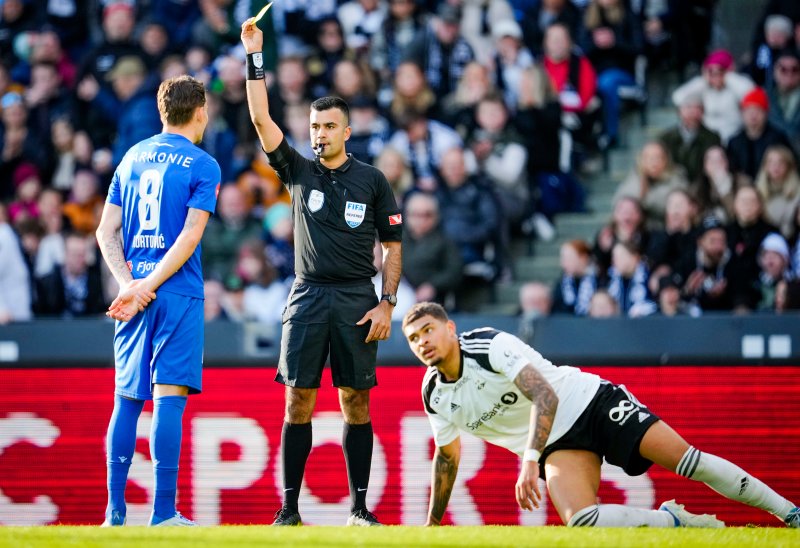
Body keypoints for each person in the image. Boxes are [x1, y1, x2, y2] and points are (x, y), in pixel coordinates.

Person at [401, 302, 800, 528]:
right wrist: (433, 527)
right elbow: (448, 456)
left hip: (589, 403)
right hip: (557, 443)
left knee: (689, 461)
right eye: (414, 338)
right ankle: (678, 523)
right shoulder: (433, 393)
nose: (423, 342)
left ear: (450, 328)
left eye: (428, 330)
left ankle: (789, 512)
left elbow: (545, 397)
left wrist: (527, 463)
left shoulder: (491, 346)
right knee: (583, 523)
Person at [241, 19, 403, 527]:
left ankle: (359, 508)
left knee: (355, 401)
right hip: (307, 294)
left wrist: (387, 302)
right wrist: (255, 57)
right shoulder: (297, 170)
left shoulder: (373, 180)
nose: (319, 134)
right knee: (298, 401)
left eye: (329, 126)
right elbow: (261, 117)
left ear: (347, 131)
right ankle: (288, 509)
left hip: (358, 297)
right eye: (314, 127)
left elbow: (394, 246)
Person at [95, 75, 221, 527]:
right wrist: (148, 285)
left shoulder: (131, 157)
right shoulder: (204, 164)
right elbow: (189, 237)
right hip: (177, 293)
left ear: (161, 110)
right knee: (168, 399)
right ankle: (163, 513)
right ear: (201, 110)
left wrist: (130, 284)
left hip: (133, 294)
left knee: (126, 400)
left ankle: (114, 516)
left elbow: (104, 231)